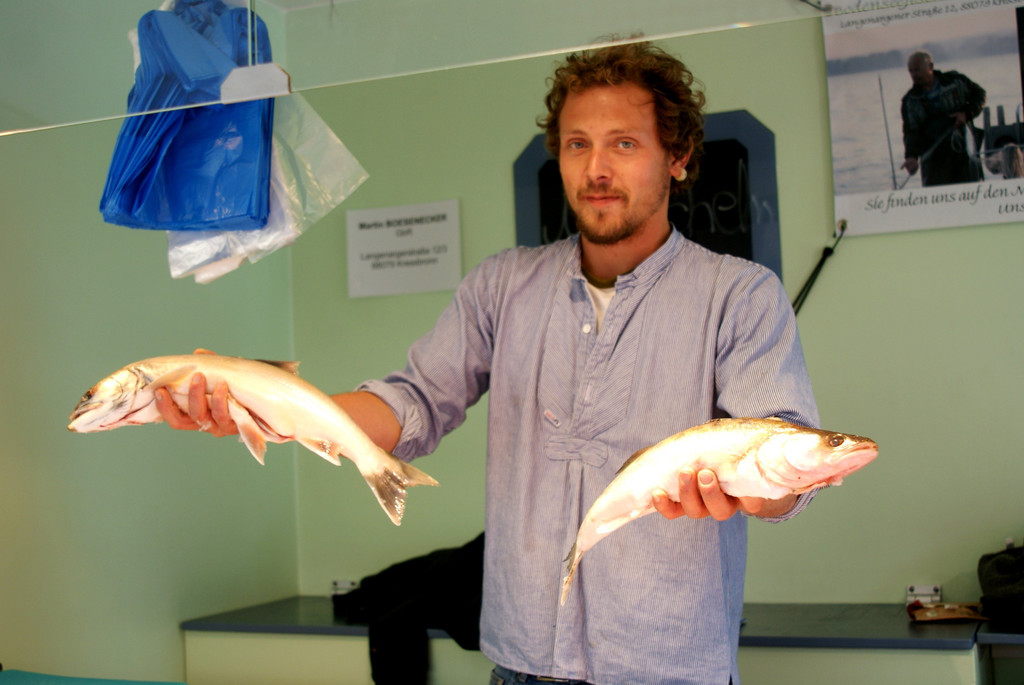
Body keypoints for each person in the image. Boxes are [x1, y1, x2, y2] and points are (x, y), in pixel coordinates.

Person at [156, 40, 819, 685]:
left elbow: (785, 467)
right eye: (577, 144)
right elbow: (412, 402)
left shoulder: (740, 295)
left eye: (624, 143)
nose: (595, 169)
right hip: (518, 667)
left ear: (677, 156)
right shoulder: (502, 286)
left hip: (670, 669)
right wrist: (264, 401)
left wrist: (750, 491)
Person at [900, 50, 986, 187]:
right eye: (911, 71)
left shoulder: (955, 81)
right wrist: (911, 157)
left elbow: (980, 95)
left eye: (917, 70)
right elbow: (911, 132)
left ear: (930, 66)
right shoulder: (909, 101)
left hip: (963, 151)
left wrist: (966, 114)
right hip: (933, 162)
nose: (914, 75)